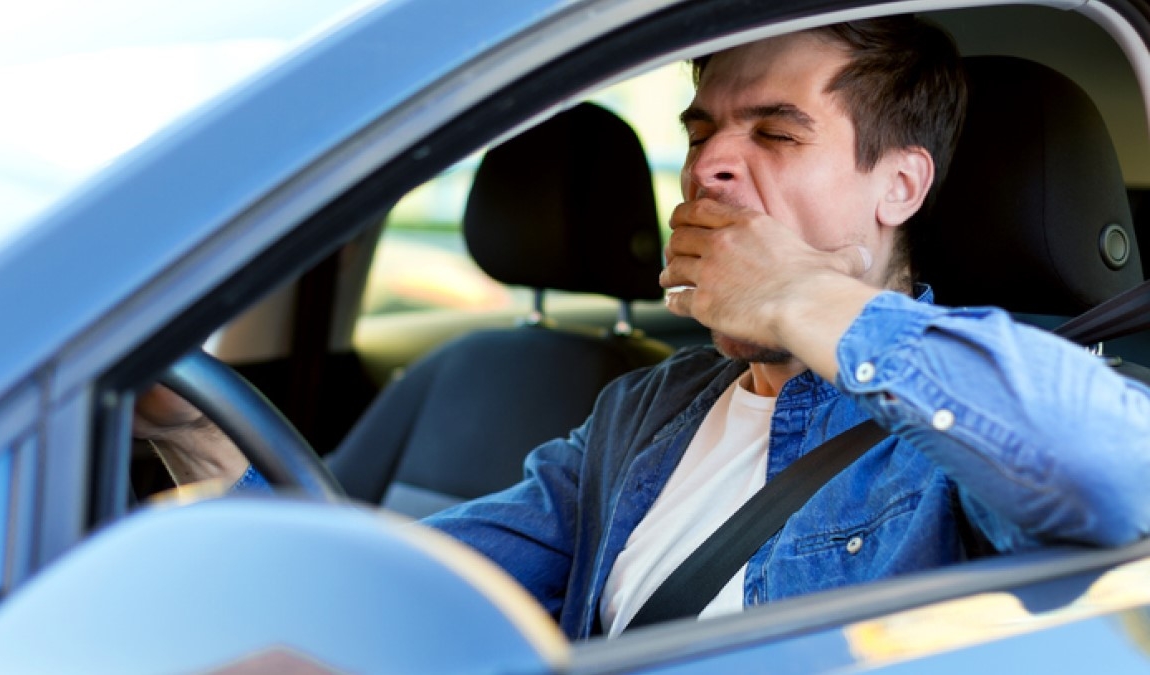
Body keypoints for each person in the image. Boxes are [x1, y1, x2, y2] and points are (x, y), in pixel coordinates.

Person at [136, 15, 1150, 641]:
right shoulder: (644, 413)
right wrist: (188, 424)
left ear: (899, 186)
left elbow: (1119, 476)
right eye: (703, 130)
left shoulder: (963, 426)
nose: (708, 164)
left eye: (774, 132)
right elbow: (402, 592)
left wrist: (799, 298)